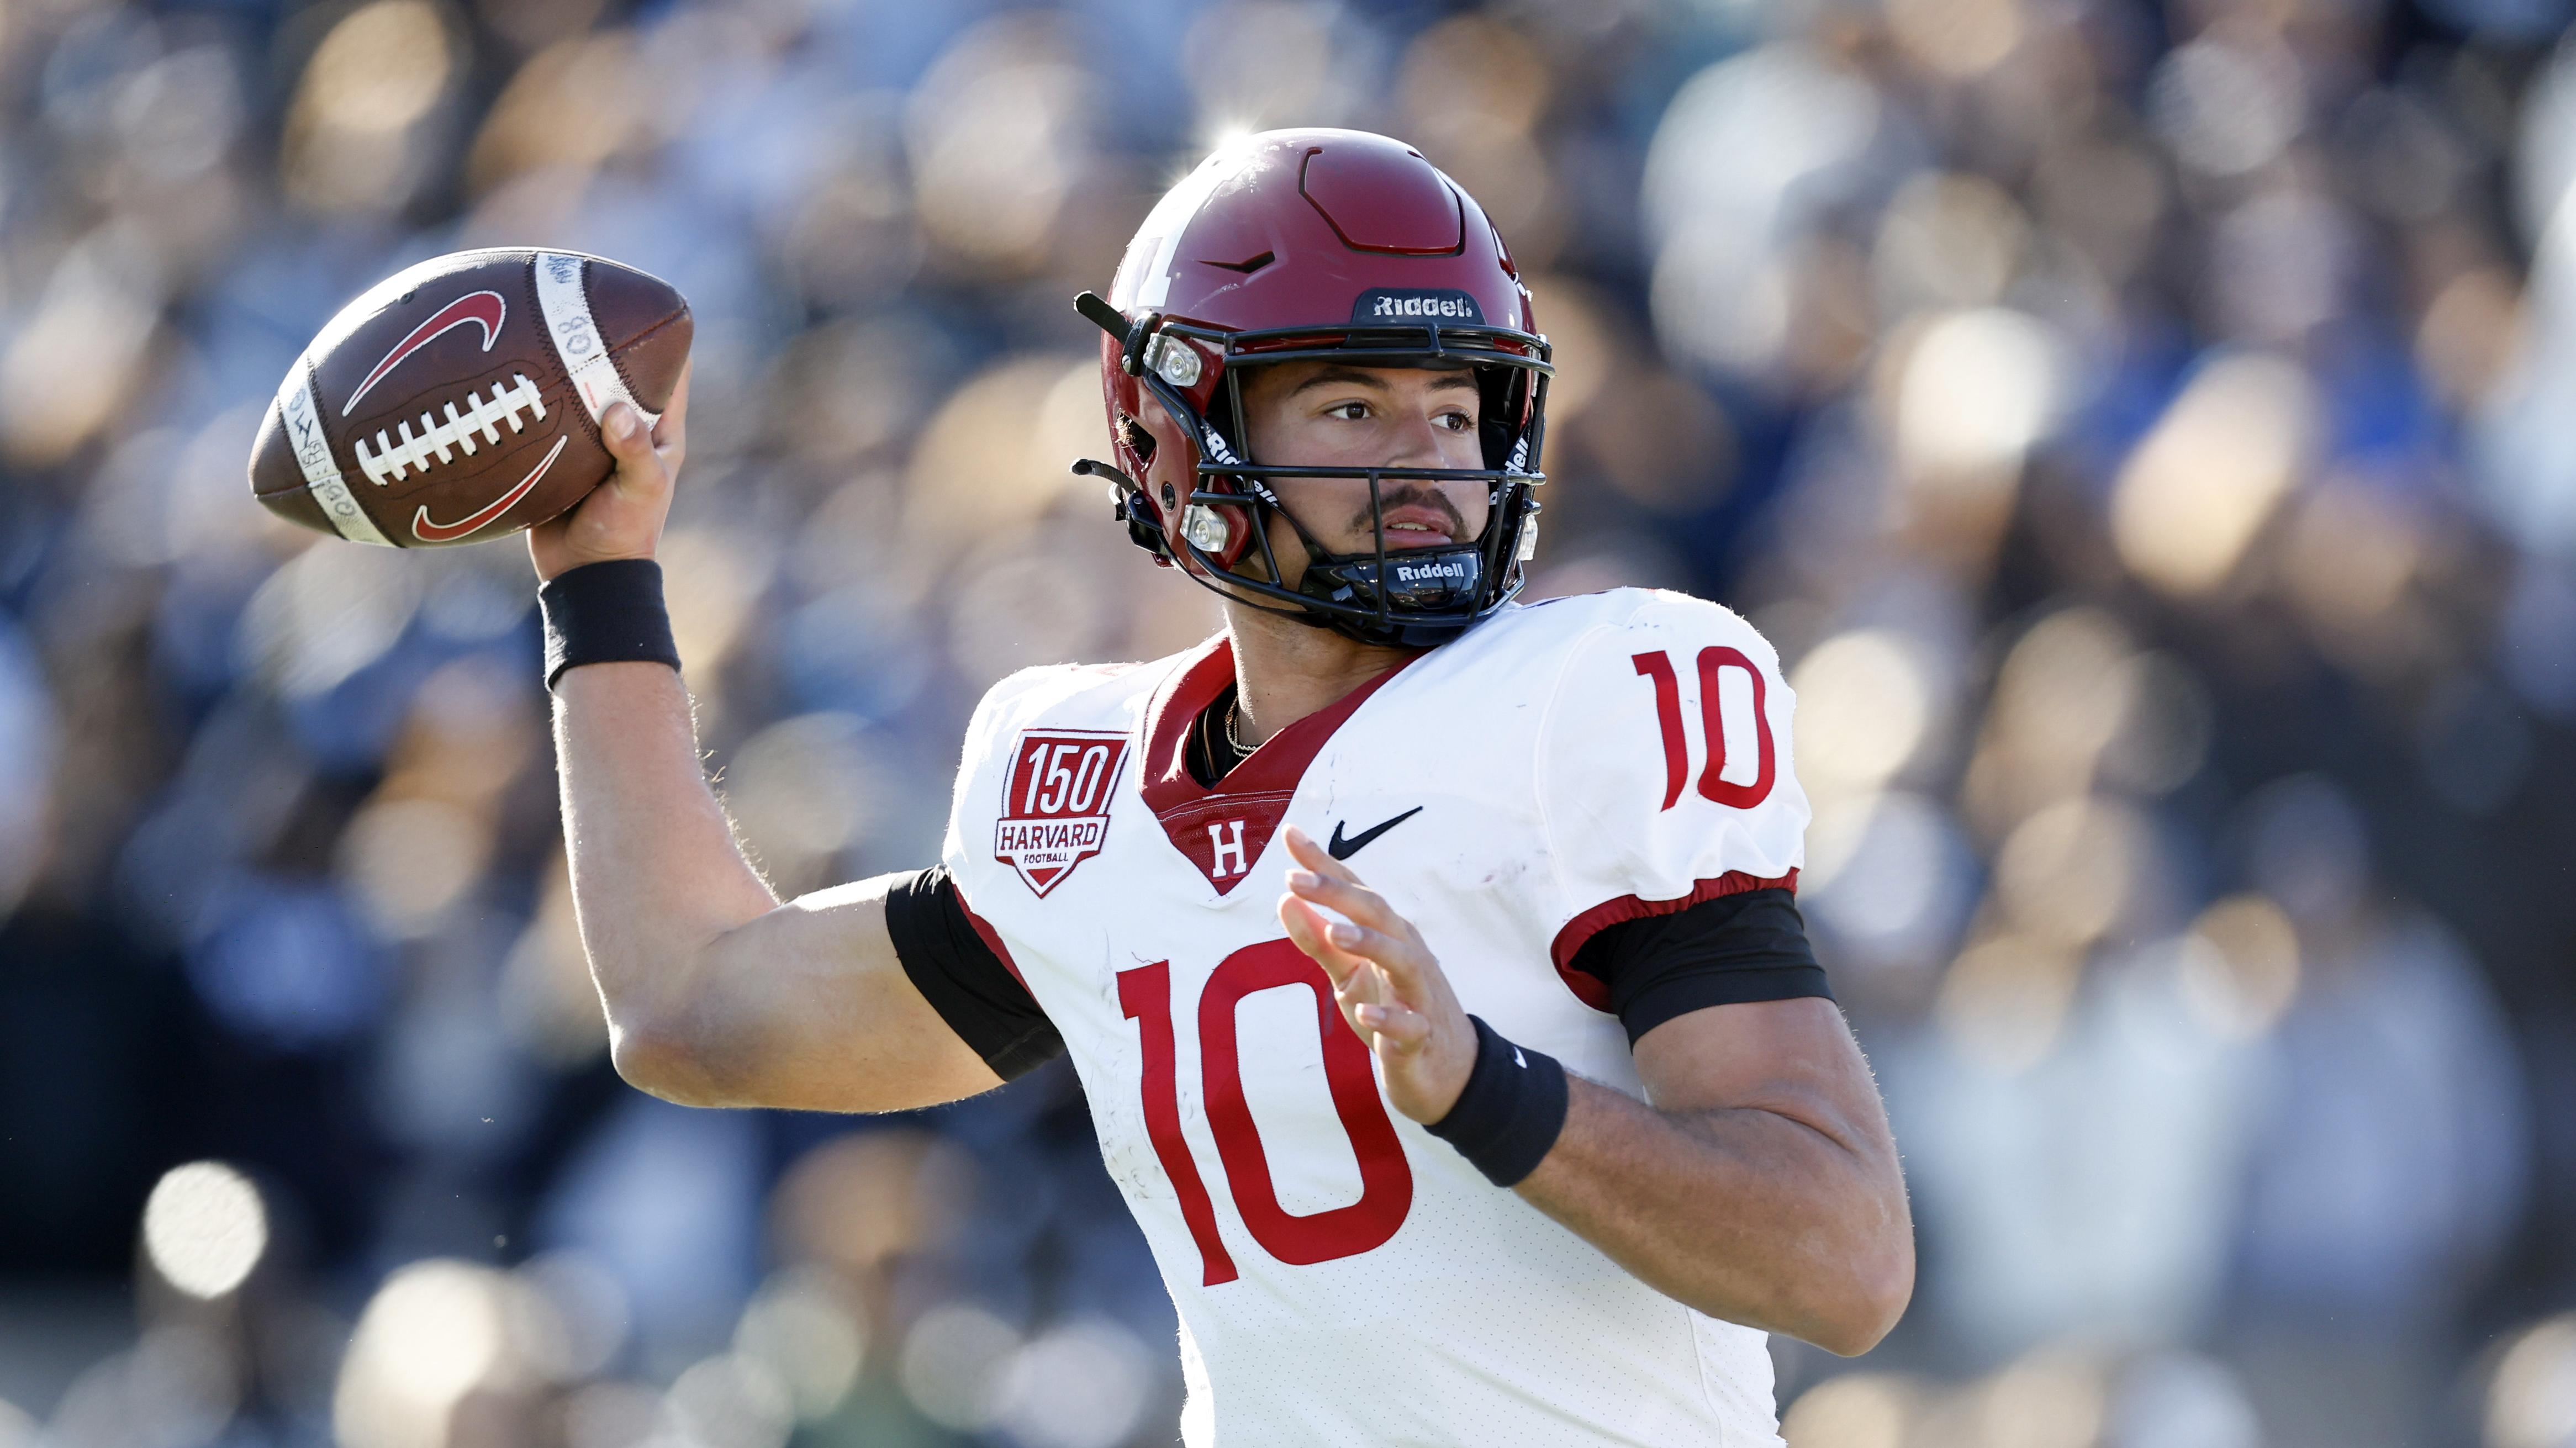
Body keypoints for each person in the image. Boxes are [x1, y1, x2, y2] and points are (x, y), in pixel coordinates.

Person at [531, 129, 1912, 1445]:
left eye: (1454, 405)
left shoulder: (1591, 693)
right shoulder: (1073, 777)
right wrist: (597, 579)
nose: (1428, 458)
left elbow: (1841, 1259)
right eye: (1355, 403)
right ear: (1174, 433)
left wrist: (1482, 1086)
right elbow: (688, 1010)